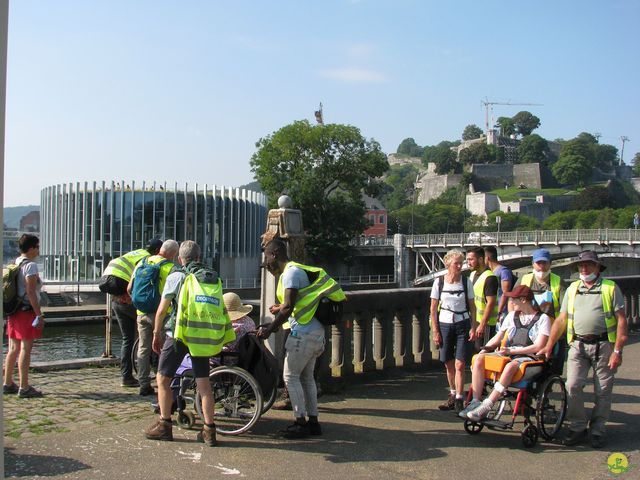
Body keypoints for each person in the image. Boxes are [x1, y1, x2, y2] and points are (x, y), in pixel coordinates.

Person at [145, 240, 235, 446]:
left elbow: (161, 310)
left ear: (179, 259)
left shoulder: (177, 276)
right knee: (204, 384)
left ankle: (164, 425)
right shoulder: (211, 278)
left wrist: (156, 333)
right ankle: (209, 432)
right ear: (198, 258)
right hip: (201, 336)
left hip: (178, 335)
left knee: (163, 379)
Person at [257, 238, 346, 439]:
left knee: (290, 377)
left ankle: (300, 422)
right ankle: (313, 422)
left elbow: (288, 307)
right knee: (307, 378)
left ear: (275, 254)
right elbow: (297, 303)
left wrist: (270, 329)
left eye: (267, 259)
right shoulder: (297, 270)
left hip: (303, 335)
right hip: (315, 333)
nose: (267, 265)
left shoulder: (290, 273)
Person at [539, 250, 627, 449]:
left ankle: (598, 430)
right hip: (577, 345)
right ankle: (578, 427)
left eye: (588, 265)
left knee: (603, 391)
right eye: (581, 266)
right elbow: (561, 319)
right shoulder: (572, 289)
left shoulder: (610, 288)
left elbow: (621, 320)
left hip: (604, 345)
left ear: (597, 267)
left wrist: (618, 351)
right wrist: (549, 344)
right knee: (572, 386)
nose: (584, 269)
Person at [461, 285, 550, 421]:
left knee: (511, 366)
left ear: (524, 300)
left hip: (530, 358)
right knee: (478, 359)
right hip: (509, 354)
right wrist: (485, 349)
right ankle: (475, 401)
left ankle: (487, 405)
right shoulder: (512, 316)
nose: (511, 302)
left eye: (514, 299)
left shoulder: (543, 319)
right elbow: (498, 337)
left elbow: (539, 346)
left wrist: (513, 351)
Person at [102, 239, 162, 387]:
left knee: (127, 339)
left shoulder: (136, 253)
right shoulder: (147, 259)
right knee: (150, 332)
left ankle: (126, 377)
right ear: (156, 251)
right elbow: (141, 282)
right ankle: (156, 371)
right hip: (128, 298)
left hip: (115, 296)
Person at [128, 239, 179, 396]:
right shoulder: (171, 268)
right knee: (165, 350)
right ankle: (164, 382)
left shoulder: (142, 262)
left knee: (143, 348)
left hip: (141, 313)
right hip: (162, 315)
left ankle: (144, 384)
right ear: (174, 254)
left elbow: (130, 288)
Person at [430, 249, 477, 412]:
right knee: (448, 362)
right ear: (448, 263)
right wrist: (435, 331)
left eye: (461, 263)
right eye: (456, 263)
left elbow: (472, 306)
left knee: (460, 363)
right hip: (444, 324)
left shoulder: (466, 282)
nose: (459, 266)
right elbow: (433, 309)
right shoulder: (439, 283)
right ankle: (452, 393)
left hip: (462, 323)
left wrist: (473, 326)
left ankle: (459, 398)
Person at [3, 234, 45, 398]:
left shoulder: (15, 263)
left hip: (13, 311)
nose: (38, 250)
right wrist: (39, 314)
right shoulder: (31, 266)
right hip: (26, 311)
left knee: (13, 348)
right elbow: (31, 292)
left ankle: (7, 383)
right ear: (32, 248)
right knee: (26, 350)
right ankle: (24, 386)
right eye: (37, 246)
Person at [516, 248, 567, 375]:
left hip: (552, 329)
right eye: (538, 263)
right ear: (533, 264)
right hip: (528, 328)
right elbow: (513, 302)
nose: (541, 267)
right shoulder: (525, 279)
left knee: (552, 366)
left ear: (550, 264)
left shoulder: (558, 282)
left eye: (544, 263)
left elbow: (564, 310)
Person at [466, 247, 498, 346]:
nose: (468, 263)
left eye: (471, 259)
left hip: (485, 324)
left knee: (483, 353)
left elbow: (491, 303)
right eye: (467, 260)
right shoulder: (472, 274)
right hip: (474, 322)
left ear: (480, 259)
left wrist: (482, 325)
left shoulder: (490, 277)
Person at [484, 246, 515, 326]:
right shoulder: (489, 272)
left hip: (502, 312)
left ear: (487, 258)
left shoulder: (504, 271)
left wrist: (499, 311)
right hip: (492, 311)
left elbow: (505, 293)